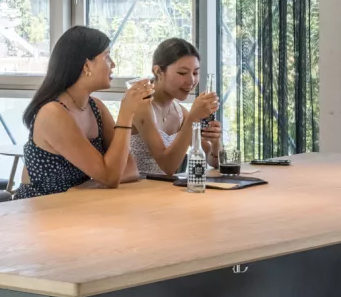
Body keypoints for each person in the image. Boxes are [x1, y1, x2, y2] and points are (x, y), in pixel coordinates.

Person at [16, 26, 152, 199]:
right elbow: (111, 177)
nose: (113, 64)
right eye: (107, 57)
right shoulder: (53, 113)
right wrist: (126, 113)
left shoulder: (96, 107)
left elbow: (130, 169)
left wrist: (91, 184)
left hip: (78, 205)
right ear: (87, 65)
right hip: (42, 211)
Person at [129, 38, 222, 177]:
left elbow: (213, 161)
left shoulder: (179, 112)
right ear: (158, 71)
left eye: (195, 73)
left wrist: (215, 142)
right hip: (136, 192)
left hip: (165, 192)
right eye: (182, 73)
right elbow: (168, 167)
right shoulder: (141, 106)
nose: (191, 81)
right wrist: (193, 117)